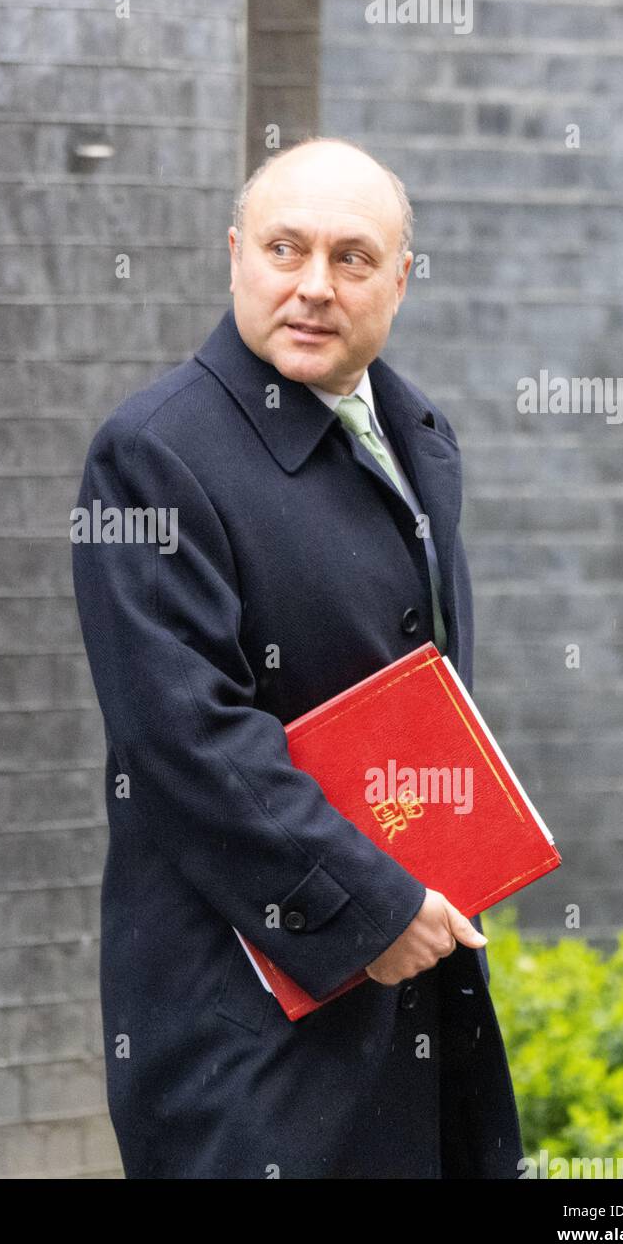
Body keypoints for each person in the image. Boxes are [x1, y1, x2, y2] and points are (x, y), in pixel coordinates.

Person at [70, 136, 524, 1179]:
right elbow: (186, 737)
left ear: (399, 280)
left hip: (413, 984)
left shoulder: (412, 430)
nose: (313, 287)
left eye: (352, 259)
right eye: (284, 250)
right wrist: (369, 906)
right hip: (246, 1017)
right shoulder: (152, 454)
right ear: (235, 255)